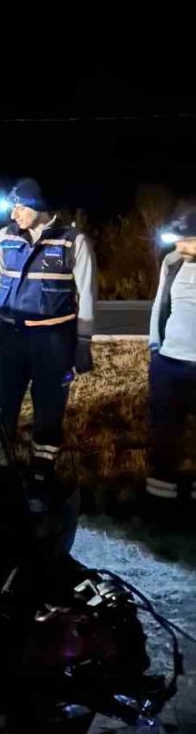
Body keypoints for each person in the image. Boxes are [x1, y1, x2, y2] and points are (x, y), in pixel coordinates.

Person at [0, 179, 96, 480]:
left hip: (54, 342)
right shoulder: (4, 238)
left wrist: (83, 343)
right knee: (1, 406)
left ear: (37, 206)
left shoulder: (73, 241)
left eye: (18, 208)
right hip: (10, 338)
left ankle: (42, 471)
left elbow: (88, 296)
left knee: (49, 407)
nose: (13, 215)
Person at [145, 207, 196, 515]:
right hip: (169, 362)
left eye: (185, 241)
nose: (178, 247)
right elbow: (159, 304)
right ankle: (159, 507)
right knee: (164, 436)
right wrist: (155, 348)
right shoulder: (173, 262)